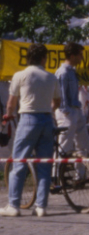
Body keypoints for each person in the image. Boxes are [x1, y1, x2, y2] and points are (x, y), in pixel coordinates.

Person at [2, 43, 61, 217]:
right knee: (44, 164)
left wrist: (9, 115)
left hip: (28, 119)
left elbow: (11, 103)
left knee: (19, 162)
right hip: (47, 119)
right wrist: (48, 109)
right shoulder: (51, 77)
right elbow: (57, 102)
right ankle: (41, 207)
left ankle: (14, 205)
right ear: (43, 58)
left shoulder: (20, 75)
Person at [54, 42, 89, 160]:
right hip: (67, 111)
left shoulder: (72, 71)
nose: (82, 58)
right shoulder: (63, 72)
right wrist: (66, 112)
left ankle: (80, 171)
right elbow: (60, 93)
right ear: (72, 56)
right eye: (80, 55)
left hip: (76, 109)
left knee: (84, 144)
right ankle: (57, 171)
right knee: (64, 145)